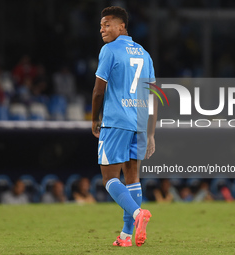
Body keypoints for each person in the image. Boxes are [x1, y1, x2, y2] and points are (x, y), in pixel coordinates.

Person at [91, 6, 157, 247]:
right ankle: (126, 237)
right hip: (139, 122)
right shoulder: (144, 54)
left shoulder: (109, 50)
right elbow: (153, 96)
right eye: (100, 25)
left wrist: (94, 118)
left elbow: (99, 89)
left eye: (107, 24)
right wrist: (150, 133)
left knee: (109, 178)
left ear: (122, 26)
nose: (102, 29)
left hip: (116, 120)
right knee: (132, 177)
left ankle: (139, 214)